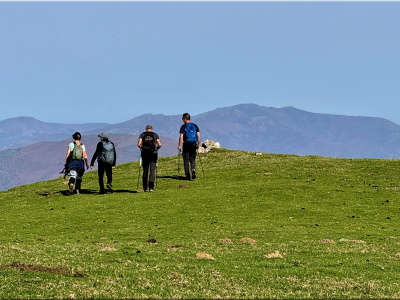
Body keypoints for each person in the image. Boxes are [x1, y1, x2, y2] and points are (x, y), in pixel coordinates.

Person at [137, 125, 162, 192]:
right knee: (152, 171)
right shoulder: (155, 135)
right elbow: (160, 144)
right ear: (152, 129)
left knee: (145, 170)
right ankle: (151, 187)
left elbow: (138, 144)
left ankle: (145, 187)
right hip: (153, 154)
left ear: (146, 129)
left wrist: (142, 148)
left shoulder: (142, 134)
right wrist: (156, 149)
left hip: (145, 154)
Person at [178, 113, 201, 180]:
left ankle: (187, 175)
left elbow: (181, 137)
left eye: (182, 119)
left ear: (185, 119)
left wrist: (179, 146)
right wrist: (198, 145)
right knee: (192, 159)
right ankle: (193, 170)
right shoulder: (195, 126)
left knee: (186, 160)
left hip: (186, 145)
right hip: (194, 144)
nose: (182, 120)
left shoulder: (183, 127)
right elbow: (199, 137)